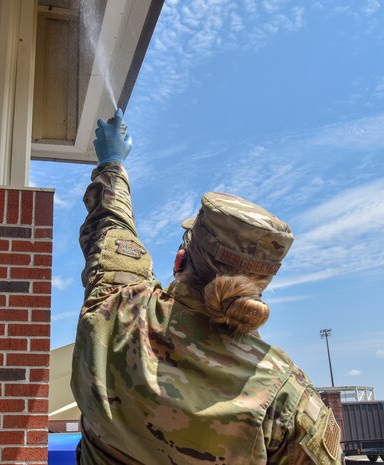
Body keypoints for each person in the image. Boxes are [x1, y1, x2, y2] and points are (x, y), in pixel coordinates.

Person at [71, 109, 343, 465]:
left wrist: (113, 163)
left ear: (181, 259)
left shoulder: (118, 310)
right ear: (261, 285)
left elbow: (110, 227)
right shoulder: (284, 398)